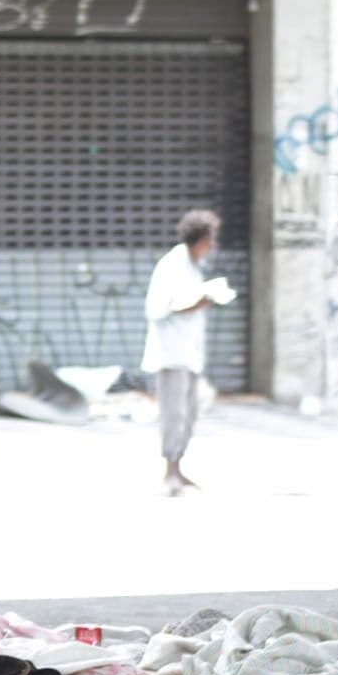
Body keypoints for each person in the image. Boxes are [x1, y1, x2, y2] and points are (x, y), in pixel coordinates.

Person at [141, 209, 221, 496]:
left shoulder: (192, 266)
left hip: (189, 355)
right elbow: (158, 309)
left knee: (189, 414)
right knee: (173, 415)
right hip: (171, 355)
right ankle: (170, 473)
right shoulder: (172, 265)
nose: (212, 246)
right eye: (211, 240)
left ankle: (179, 468)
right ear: (199, 239)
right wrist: (196, 304)